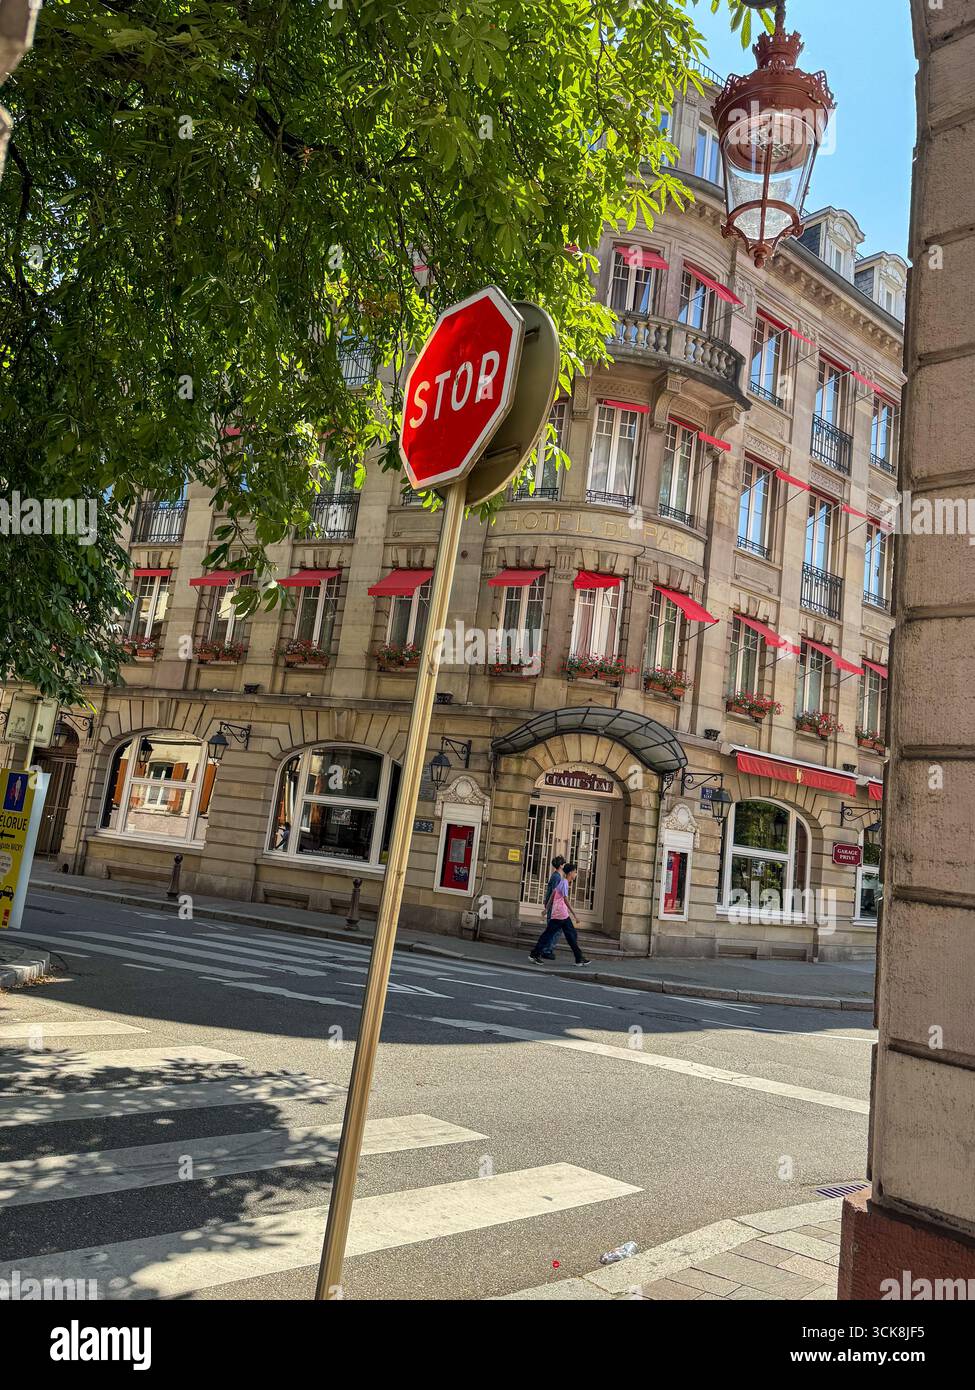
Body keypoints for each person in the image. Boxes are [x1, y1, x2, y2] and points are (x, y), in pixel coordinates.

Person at [530, 862, 591, 966]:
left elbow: (553, 894)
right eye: (575, 872)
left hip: (560, 915)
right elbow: (565, 900)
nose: (576, 874)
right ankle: (534, 955)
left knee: (569, 935)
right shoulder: (564, 883)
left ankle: (579, 958)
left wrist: (547, 909)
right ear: (570, 873)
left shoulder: (563, 882)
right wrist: (575, 915)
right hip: (560, 915)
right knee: (551, 935)